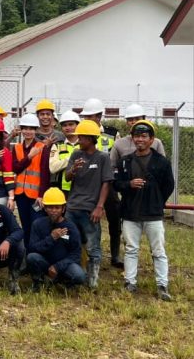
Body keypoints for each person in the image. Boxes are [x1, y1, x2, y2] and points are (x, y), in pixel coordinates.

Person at [113, 121, 175, 301]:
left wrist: (157, 201)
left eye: (144, 136)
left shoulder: (162, 162)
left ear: (151, 139)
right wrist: (129, 184)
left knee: (158, 250)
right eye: (136, 136)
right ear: (132, 138)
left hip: (153, 214)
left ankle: (162, 285)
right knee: (131, 249)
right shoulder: (125, 161)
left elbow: (168, 185)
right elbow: (116, 184)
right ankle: (129, 282)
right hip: (130, 213)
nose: (140, 139)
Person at [64, 119, 113, 289]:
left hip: (90, 209)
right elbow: (67, 177)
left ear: (92, 139)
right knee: (71, 243)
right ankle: (75, 275)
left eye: (82, 137)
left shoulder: (103, 157)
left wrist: (99, 207)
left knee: (93, 245)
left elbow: (106, 183)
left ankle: (93, 280)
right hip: (72, 207)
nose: (79, 140)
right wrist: (73, 169)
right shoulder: (76, 155)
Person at [80, 97, 122, 268]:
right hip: (88, 183)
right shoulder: (81, 132)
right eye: (85, 117)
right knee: (85, 219)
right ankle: (86, 255)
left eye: (90, 116)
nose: (87, 119)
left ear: (99, 116)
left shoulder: (112, 134)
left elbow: (118, 157)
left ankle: (115, 255)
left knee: (115, 217)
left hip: (108, 182)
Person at [27, 188, 85, 291]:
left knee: (79, 275)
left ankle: (62, 281)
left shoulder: (71, 227)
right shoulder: (38, 224)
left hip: (64, 265)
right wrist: (51, 238)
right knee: (31, 257)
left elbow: (76, 254)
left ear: (63, 209)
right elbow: (32, 248)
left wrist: (57, 267)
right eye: (50, 207)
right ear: (45, 208)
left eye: (57, 207)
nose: (53, 211)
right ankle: (38, 283)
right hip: (45, 262)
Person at [11, 113, 50, 249]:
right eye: (25, 128)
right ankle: (27, 254)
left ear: (36, 130)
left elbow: (45, 173)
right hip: (21, 194)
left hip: (35, 196)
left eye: (31, 128)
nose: (28, 131)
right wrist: (29, 157)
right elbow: (16, 168)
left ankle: (36, 253)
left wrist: (41, 195)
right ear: (21, 130)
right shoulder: (16, 147)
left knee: (37, 225)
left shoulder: (42, 147)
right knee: (26, 225)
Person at [49, 110, 81, 193]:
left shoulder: (86, 144)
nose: (67, 128)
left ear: (78, 126)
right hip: (63, 190)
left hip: (84, 189)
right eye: (64, 125)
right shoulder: (57, 145)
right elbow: (52, 168)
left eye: (71, 124)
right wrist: (71, 158)